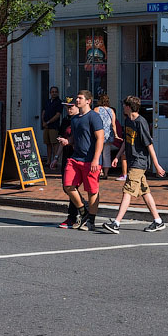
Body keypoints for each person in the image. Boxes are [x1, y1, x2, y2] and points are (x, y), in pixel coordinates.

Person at [101, 95, 166, 233]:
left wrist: (156, 164)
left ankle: (116, 223)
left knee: (127, 191)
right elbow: (126, 140)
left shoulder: (141, 122)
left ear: (129, 107)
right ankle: (158, 221)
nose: (123, 107)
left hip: (139, 161)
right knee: (145, 191)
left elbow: (149, 144)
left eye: (124, 105)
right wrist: (117, 157)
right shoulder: (128, 121)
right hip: (132, 160)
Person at [58, 89, 104, 230]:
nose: (77, 100)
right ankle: (83, 211)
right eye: (77, 98)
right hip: (75, 158)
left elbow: (100, 138)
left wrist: (96, 159)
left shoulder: (94, 117)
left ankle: (91, 221)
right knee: (68, 185)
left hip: (90, 160)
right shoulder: (75, 119)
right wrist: (68, 141)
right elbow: (76, 137)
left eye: (80, 98)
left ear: (88, 101)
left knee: (92, 191)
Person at [53, 98, 82, 228]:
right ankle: (83, 208)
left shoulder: (81, 120)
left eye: (71, 106)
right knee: (67, 187)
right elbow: (62, 141)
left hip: (77, 157)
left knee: (70, 187)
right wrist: (55, 157)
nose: (69, 109)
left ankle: (74, 216)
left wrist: (69, 142)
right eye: (67, 107)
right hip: (66, 156)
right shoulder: (65, 121)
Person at [94, 94, 117, 179]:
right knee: (106, 154)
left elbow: (94, 121)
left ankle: (99, 171)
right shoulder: (111, 111)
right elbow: (113, 124)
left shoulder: (96, 109)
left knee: (98, 152)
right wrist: (116, 134)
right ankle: (106, 173)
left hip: (99, 133)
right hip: (108, 135)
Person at [42, 87, 62, 166]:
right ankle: (48, 160)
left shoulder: (59, 102)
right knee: (48, 144)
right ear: (50, 93)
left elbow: (57, 115)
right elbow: (43, 111)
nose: (54, 93)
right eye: (52, 92)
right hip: (46, 126)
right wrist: (43, 122)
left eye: (55, 92)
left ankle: (55, 161)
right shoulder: (47, 102)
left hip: (54, 126)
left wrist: (48, 122)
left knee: (54, 144)